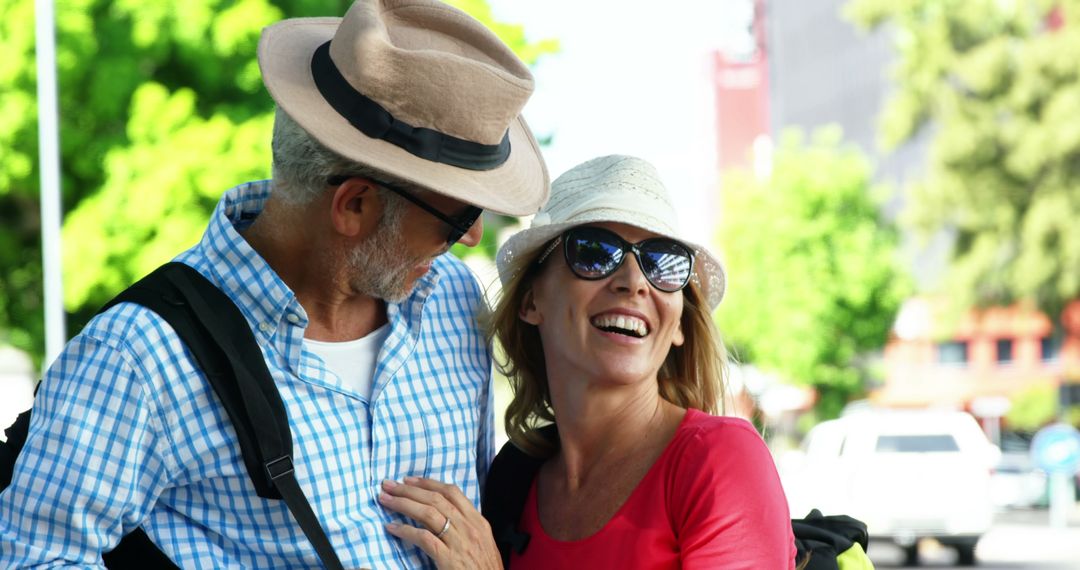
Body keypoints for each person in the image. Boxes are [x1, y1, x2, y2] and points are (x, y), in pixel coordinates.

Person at [0, 0, 548, 567]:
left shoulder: (454, 304)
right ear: (354, 206)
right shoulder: (137, 356)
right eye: (456, 217)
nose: (473, 238)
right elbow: (35, 557)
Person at [380, 155, 797, 568]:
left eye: (662, 263)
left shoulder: (720, 460)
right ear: (531, 300)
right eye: (595, 253)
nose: (634, 282)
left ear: (680, 324)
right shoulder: (512, 480)